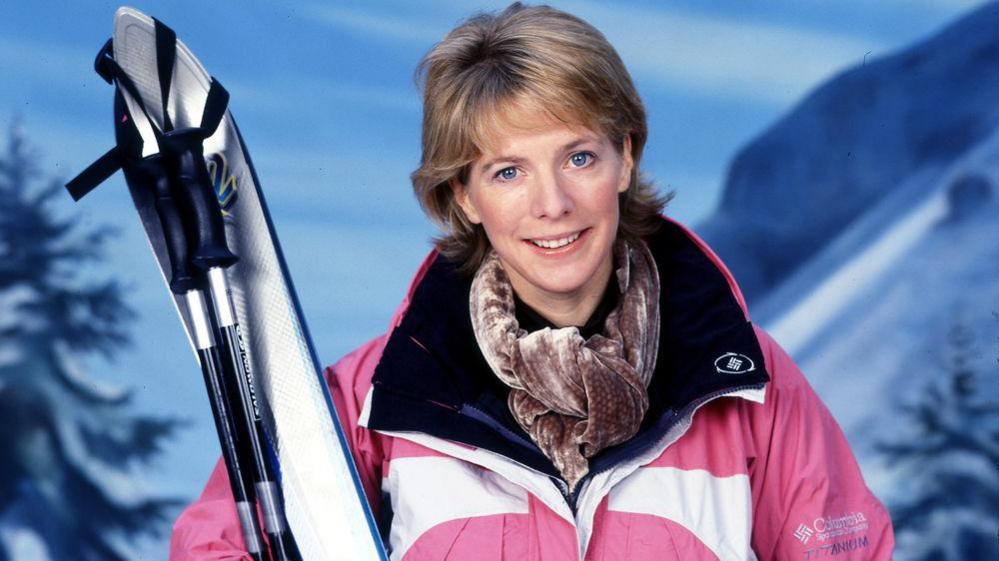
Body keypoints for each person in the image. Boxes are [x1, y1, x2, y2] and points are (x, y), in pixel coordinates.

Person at [170, 3, 895, 560]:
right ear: (462, 195)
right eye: (507, 171)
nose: (551, 202)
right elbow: (218, 541)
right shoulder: (374, 400)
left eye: (578, 157)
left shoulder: (746, 388)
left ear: (625, 158)